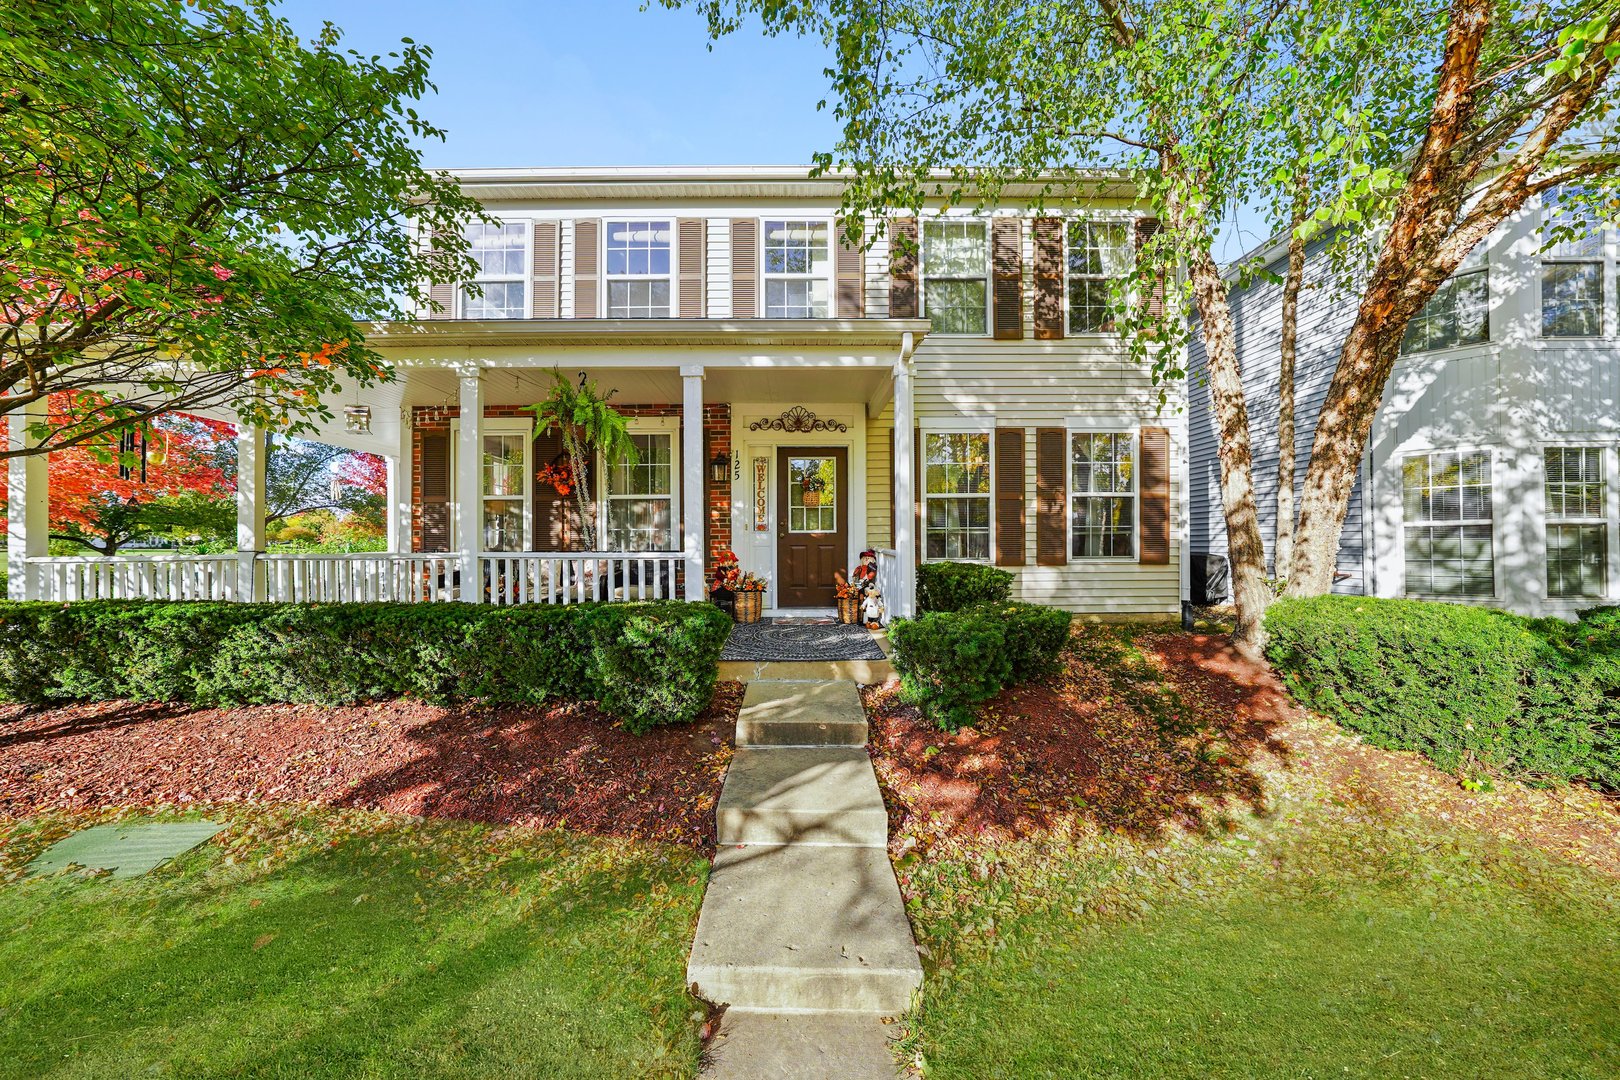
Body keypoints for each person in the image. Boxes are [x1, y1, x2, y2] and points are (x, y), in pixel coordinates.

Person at [851, 549, 884, 628]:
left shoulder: (872, 567)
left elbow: (870, 576)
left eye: (869, 557)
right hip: (859, 586)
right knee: (861, 602)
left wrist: (864, 579)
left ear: (872, 560)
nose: (866, 559)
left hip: (867, 586)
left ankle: (869, 620)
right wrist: (855, 583)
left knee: (869, 603)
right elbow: (855, 577)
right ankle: (860, 619)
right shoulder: (859, 568)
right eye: (865, 557)